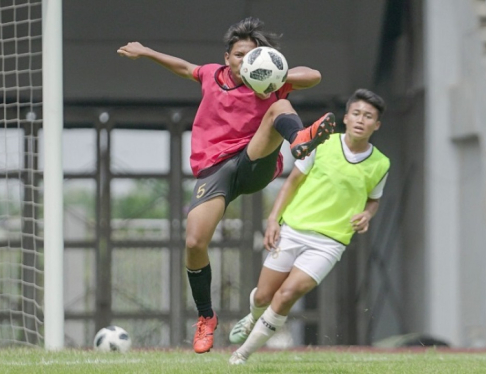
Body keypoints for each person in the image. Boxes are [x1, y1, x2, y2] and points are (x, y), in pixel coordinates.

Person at [117, 17, 335, 354]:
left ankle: (299, 139)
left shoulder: (270, 82)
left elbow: (315, 76)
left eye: (251, 55)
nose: (244, 60)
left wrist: (273, 71)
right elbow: (183, 67)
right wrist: (145, 51)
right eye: (238, 54)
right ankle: (206, 317)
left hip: (254, 162)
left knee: (279, 106)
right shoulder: (211, 76)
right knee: (194, 241)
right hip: (215, 169)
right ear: (226, 57)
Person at [227, 89, 390, 365]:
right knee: (265, 295)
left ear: (377, 125)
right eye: (357, 114)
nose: (361, 120)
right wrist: (273, 220)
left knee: (287, 294)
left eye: (369, 116)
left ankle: (241, 355)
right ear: (347, 118)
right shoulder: (323, 144)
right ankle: (253, 315)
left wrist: (367, 214)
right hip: (293, 229)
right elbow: (291, 182)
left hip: (330, 242)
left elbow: (373, 199)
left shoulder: (381, 164)